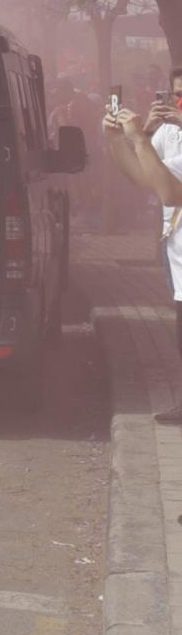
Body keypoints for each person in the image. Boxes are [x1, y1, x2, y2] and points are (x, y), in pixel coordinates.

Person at [110, 77, 182, 422]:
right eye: (176, 94)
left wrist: (139, 138)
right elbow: (144, 179)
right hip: (177, 247)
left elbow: (171, 193)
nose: (178, 102)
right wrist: (117, 140)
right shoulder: (169, 133)